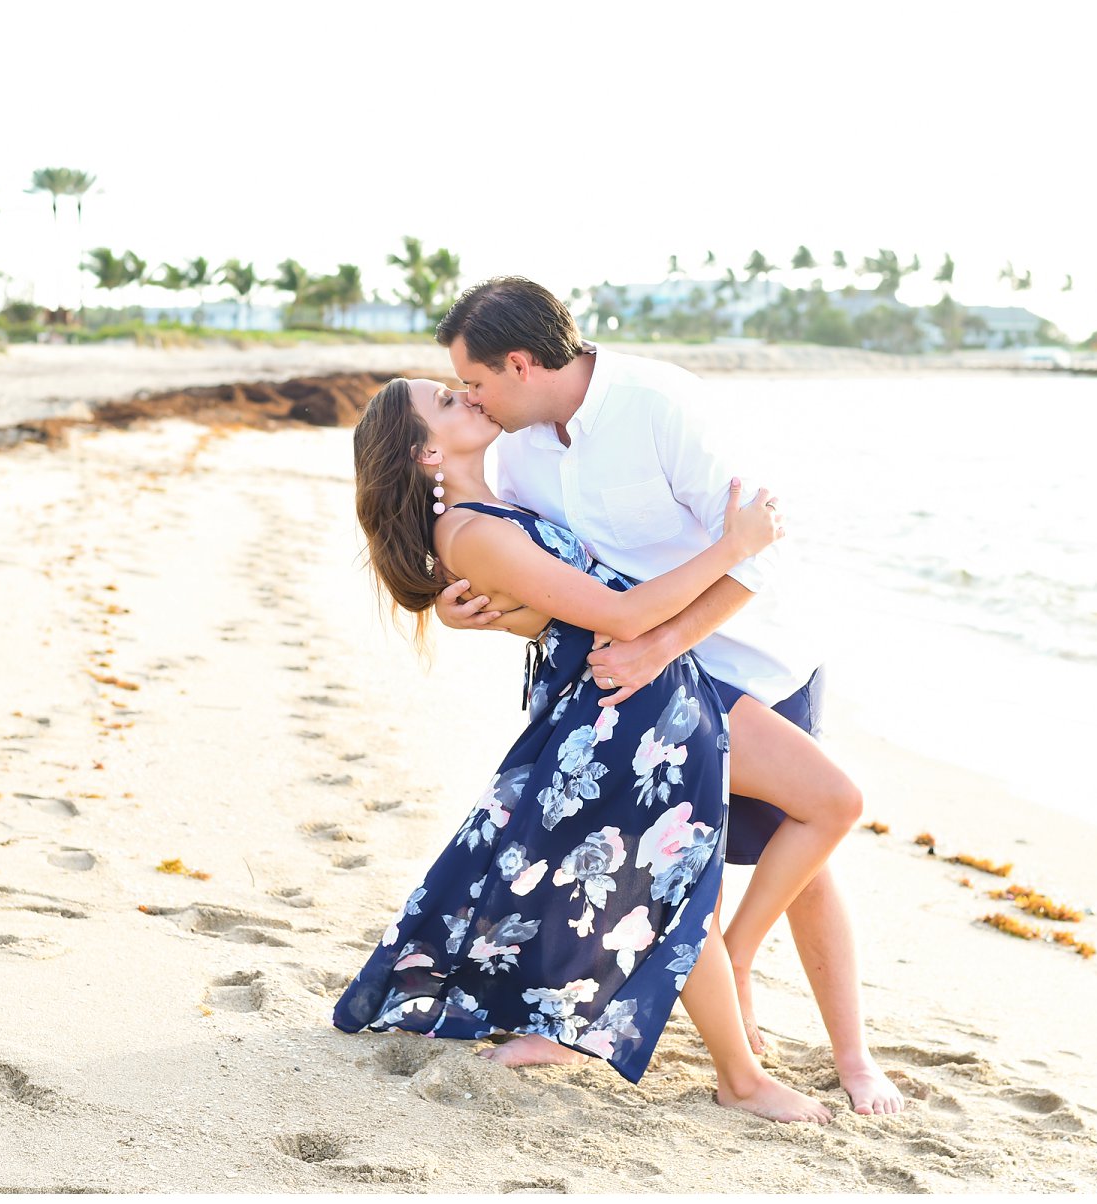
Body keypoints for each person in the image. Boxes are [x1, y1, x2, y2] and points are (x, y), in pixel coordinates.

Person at [432, 277, 906, 1116]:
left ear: (519, 362)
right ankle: (680, 1017)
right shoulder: (519, 449)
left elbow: (758, 550)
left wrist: (658, 644)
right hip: (639, 680)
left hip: (751, 662)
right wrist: (472, 613)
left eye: (475, 381)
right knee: (685, 861)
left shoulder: (661, 405)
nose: (470, 397)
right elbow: (551, 580)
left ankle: (848, 1050)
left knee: (804, 857)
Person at [332, 375, 842, 1123]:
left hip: (652, 687)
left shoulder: (497, 504)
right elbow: (621, 611)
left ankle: (631, 1020)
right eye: (446, 401)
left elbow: (552, 601)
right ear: (424, 453)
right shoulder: (472, 533)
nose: (466, 397)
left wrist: (477, 613)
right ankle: (739, 1077)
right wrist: (737, 547)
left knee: (763, 833)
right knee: (675, 883)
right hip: (621, 705)